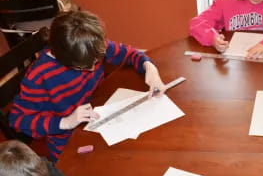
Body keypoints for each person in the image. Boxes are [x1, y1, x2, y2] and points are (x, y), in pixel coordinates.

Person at [9, 10, 167, 162]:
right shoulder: (39, 77)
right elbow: (18, 119)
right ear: (61, 58)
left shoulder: (89, 46)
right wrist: (65, 122)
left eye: (96, 61)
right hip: (68, 143)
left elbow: (129, 53)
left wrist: (149, 68)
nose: (92, 68)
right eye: (82, 68)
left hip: (100, 119)